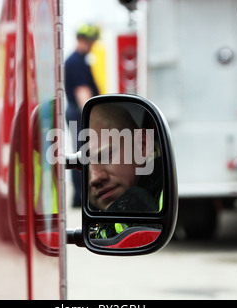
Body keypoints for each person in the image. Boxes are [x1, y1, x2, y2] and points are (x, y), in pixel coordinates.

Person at [88, 103, 163, 239]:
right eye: (81, 168)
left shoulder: (163, 193)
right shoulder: (91, 217)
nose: (94, 178)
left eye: (105, 155)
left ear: (142, 145)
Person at [65, 23, 101, 207]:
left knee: (82, 152)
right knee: (83, 154)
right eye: (92, 41)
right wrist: (92, 116)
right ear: (84, 40)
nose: (93, 45)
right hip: (79, 113)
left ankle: (80, 196)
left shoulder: (79, 60)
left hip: (77, 112)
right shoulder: (76, 61)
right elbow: (82, 93)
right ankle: (80, 197)